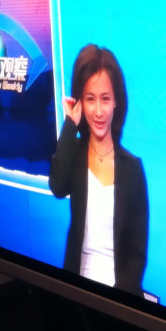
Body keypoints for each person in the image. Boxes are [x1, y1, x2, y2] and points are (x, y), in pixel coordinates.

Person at [49, 44, 148, 296]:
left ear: (116, 102)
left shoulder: (133, 169)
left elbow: (137, 255)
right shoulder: (75, 154)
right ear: (81, 102)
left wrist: (115, 301)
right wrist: (70, 124)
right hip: (76, 293)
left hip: (119, 297)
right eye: (90, 99)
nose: (99, 111)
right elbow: (57, 186)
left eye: (105, 98)